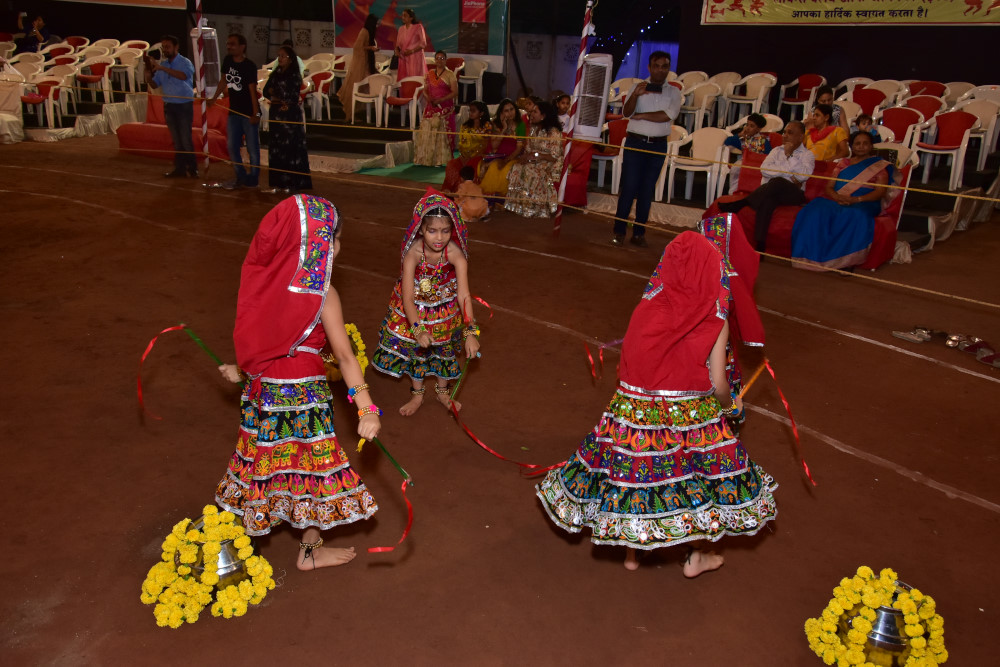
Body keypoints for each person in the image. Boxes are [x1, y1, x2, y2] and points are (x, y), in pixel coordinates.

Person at [536, 223, 777, 573]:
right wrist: (730, 406)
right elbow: (718, 381)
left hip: (633, 412)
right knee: (696, 480)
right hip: (687, 414)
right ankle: (695, 555)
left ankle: (633, 554)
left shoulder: (647, 306)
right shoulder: (715, 317)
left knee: (636, 475)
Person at [215, 195, 381, 570]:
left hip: (265, 400)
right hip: (304, 405)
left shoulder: (268, 288)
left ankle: (234, 549)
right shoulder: (324, 294)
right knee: (311, 477)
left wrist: (241, 369)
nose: (338, 246)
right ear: (320, 245)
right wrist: (367, 408)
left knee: (263, 469)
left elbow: (261, 343)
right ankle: (309, 552)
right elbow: (344, 356)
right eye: (333, 239)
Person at [371, 192, 481, 416]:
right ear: (421, 229)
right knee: (417, 350)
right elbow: (407, 298)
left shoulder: (455, 254)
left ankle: (443, 392)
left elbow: (464, 296)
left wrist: (470, 331)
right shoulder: (413, 254)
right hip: (414, 309)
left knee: (444, 346)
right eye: (432, 230)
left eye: (445, 230)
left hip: (444, 307)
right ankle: (417, 394)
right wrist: (418, 329)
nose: (439, 237)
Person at [792, 131, 892, 270]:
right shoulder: (843, 163)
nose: (861, 146)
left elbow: (880, 191)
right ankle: (808, 255)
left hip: (864, 202)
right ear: (852, 146)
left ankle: (846, 262)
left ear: (871, 146)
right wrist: (838, 197)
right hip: (837, 198)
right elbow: (830, 187)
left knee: (854, 216)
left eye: (865, 143)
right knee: (813, 210)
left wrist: (856, 199)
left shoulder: (879, 166)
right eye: (857, 143)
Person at [612, 51, 682, 248]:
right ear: (649, 68)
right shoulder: (637, 87)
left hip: (658, 145)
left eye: (665, 66)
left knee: (646, 190)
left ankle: (639, 233)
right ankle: (619, 231)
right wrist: (635, 95)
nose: (661, 70)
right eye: (657, 66)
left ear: (668, 68)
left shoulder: (674, 92)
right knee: (629, 188)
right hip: (635, 143)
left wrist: (641, 116)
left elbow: (667, 116)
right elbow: (626, 112)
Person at [718, 120, 815, 251]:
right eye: (784, 132)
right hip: (773, 191)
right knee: (768, 200)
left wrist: (789, 155)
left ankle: (742, 203)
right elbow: (764, 169)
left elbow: (803, 176)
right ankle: (760, 245)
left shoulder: (807, 155)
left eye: (790, 133)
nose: (785, 135)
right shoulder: (776, 151)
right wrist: (790, 174)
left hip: (794, 194)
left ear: (801, 137)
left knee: (777, 181)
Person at [143, 35, 197, 178]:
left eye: (167, 47)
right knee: (177, 140)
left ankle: (192, 168)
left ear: (176, 47)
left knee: (185, 138)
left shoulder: (185, 62)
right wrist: (148, 77)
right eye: (163, 47)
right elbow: (155, 84)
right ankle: (179, 169)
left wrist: (162, 68)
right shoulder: (163, 65)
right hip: (169, 106)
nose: (165, 50)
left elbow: (183, 76)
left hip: (184, 105)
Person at [211, 33, 260, 190]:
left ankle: (253, 178)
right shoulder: (227, 61)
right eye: (228, 44)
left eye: (232, 44)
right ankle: (240, 175)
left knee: (252, 148)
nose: (229, 46)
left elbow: (253, 90)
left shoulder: (249, 66)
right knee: (232, 146)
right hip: (234, 111)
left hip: (247, 112)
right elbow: (223, 80)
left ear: (242, 46)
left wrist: (255, 113)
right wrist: (214, 97)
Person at [262, 45, 312, 193]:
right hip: (277, 112)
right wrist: (277, 94)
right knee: (276, 147)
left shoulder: (294, 75)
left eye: (283, 56)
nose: (280, 58)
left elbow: (289, 94)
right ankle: (278, 183)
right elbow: (266, 90)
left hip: (289, 114)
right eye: (279, 56)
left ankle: (292, 182)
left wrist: (277, 93)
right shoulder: (276, 73)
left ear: (290, 59)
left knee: (290, 147)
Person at [505, 100, 564, 218]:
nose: (531, 114)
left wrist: (537, 156)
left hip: (549, 162)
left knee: (530, 171)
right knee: (516, 167)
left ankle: (533, 208)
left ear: (543, 116)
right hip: (535, 160)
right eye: (531, 112)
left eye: (535, 112)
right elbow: (528, 149)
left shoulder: (554, 132)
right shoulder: (533, 129)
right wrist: (525, 157)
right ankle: (518, 205)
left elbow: (555, 156)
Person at [413, 51, 458, 167]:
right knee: (427, 131)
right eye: (437, 58)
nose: (439, 60)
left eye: (442, 58)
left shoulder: (450, 74)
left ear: (445, 60)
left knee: (440, 133)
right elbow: (425, 90)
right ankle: (423, 159)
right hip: (431, 106)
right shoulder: (429, 74)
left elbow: (455, 92)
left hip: (444, 107)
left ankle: (440, 160)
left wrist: (440, 100)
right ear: (435, 60)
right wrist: (429, 99)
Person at [479, 98, 525, 198]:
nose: (510, 113)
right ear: (501, 113)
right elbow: (494, 145)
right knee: (494, 167)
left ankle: (502, 198)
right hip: (498, 156)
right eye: (506, 111)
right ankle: (491, 197)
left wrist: (508, 160)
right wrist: (504, 129)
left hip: (513, 157)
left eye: (512, 109)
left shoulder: (520, 125)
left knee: (506, 169)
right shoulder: (496, 125)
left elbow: (519, 148)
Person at [443, 100, 492, 193]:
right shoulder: (465, 126)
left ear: (481, 113)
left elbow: (488, 143)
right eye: (470, 110)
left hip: (479, 156)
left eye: (473, 111)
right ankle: (450, 191)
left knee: (472, 164)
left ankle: (467, 192)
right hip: (464, 156)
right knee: (451, 164)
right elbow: (462, 143)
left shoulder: (487, 126)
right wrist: (463, 156)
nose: (470, 113)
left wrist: (474, 156)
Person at [337, 14, 379, 122]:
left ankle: (357, 114)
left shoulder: (368, 32)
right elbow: (358, 47)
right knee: (356, 86)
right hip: (361, 63)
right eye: (376, 23)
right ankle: (350, 115)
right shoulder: (364, 31)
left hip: (365, 63)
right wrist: (371, 48)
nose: (377, 26)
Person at [724, 112, 772, 194]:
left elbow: (769, 155)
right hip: (744, 161)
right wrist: (740, 134)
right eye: (747, 125)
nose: (748, 128)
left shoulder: (763, 140)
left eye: (752, 126)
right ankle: (733, 192)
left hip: (758, 163)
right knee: (735, 168)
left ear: (758, 129)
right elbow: (727, 142)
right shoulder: (743, 138)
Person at [394, 8, 427, 82]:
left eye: (405, 16)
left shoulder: (418, 27)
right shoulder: (401, 29)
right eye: (402, 15)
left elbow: (423, 43)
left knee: (414, 80)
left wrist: (411, 51)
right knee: (404, 81)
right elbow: (398, 45)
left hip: (415, 58)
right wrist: (397, 51)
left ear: (411, 18)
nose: (403, 17)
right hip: (403, 58)